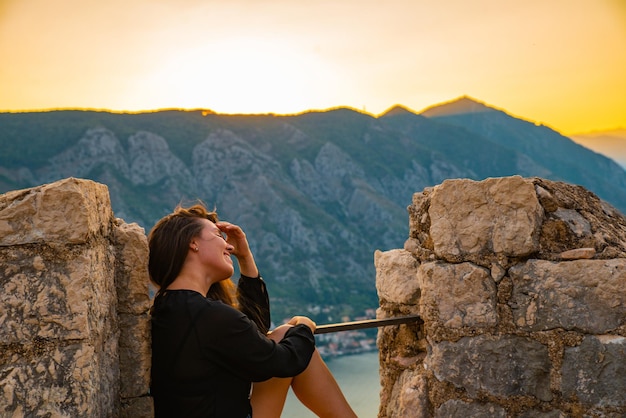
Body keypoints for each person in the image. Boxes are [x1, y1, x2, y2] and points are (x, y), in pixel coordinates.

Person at [148, 203, 357, 418]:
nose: (229, 246)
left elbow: (252, 338)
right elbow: (282, 362)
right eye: (218, 235)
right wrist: (305, 326)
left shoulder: (169, 308)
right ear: (193, 243)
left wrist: (245, 258)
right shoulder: (207, 315)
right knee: (291, 338)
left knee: (283, 334)